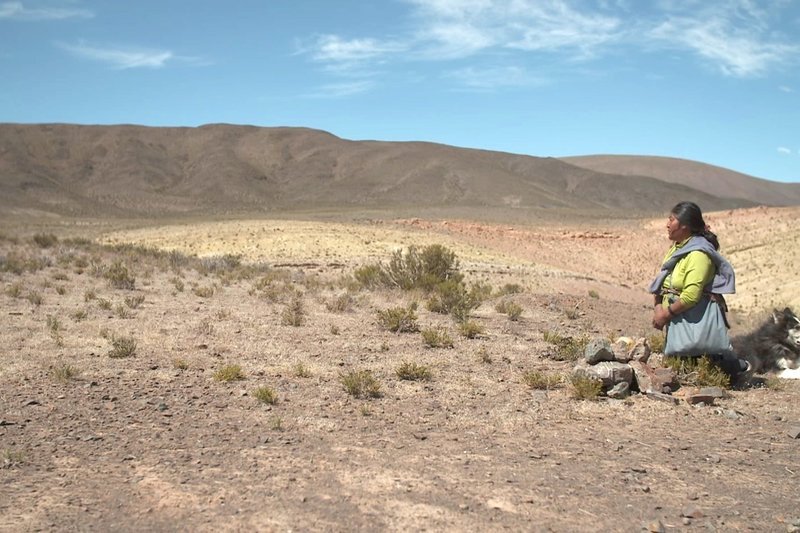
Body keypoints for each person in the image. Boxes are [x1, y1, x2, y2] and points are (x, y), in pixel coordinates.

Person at [647, 201, 747, 377]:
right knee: (679, 367)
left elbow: (691, 296)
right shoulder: (678, 249)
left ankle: (732, 367)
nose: (667, 224)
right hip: (678, 323)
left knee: (699, 367)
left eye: (672, 219)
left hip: (694, 324)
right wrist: (657, 308)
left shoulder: (699, 254)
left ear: (685, 225)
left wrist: (665, 314)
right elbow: (664, 282)